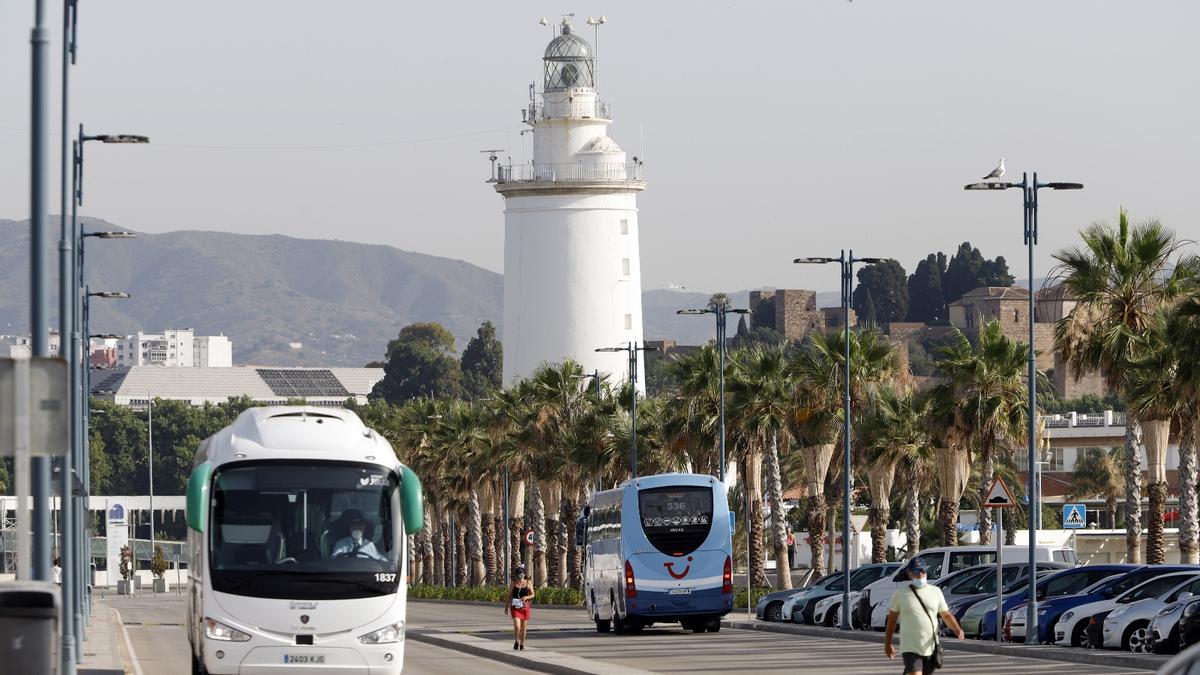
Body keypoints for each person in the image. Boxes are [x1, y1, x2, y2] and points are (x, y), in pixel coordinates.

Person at [885, 558, 963, 675]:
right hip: (910, 646)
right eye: (916, 571)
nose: (920, 574)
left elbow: (945, 615)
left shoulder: (935, 591)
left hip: (930, 646)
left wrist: (957, 629)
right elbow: (892, 620)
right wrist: (888, 644)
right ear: (910, 573)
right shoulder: (901, 594)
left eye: (923, 571)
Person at [504, 565, 535, 650]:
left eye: (521, 574)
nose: (519, 576)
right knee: (517, 625)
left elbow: (533, 594)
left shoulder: (528, 582)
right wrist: (506, 606)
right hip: (515, 607)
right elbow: (509, 595)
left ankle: (522, 644)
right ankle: (516, 641)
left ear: (524, 574)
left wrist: (526, 597)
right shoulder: (514, 583)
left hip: (525, 607)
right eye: (518, 574)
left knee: (523, 627)